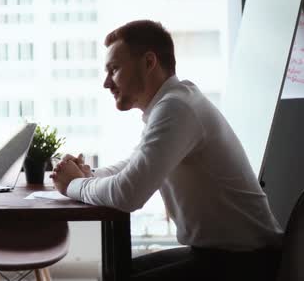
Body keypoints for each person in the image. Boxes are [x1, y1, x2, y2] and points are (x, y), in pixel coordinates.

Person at [51, 20, 283, 281]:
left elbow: (128, 194)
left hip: (247, 263)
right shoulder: (171, 103)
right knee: (115, 273)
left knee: (117, 276)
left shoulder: (177, 109)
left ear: (149, 62)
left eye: (114, 69)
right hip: (221, 254)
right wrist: (89, 174)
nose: (106, 83)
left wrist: (74, 183)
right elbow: (134, 164)